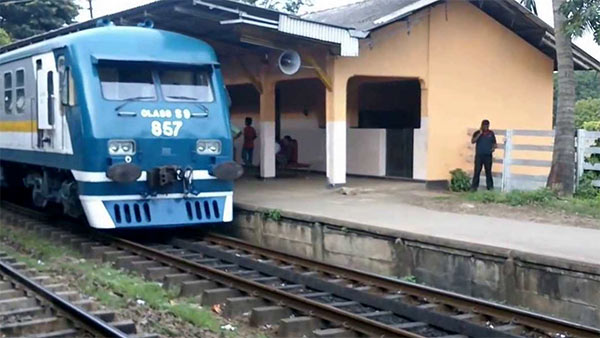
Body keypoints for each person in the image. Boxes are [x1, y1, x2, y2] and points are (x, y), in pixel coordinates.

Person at [471, 119, 497, 191]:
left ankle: (490, 188)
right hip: (479, 156)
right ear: (482, 126)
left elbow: (495, 143)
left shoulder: (491, 133)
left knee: (488, 172)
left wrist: (493, 148)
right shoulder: (477, 132)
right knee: (477, 171)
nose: (486, 127)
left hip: (488, 156)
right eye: (484, 126)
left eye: (487, 126)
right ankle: (474, 187)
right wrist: (480, 133)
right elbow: (473, 141)